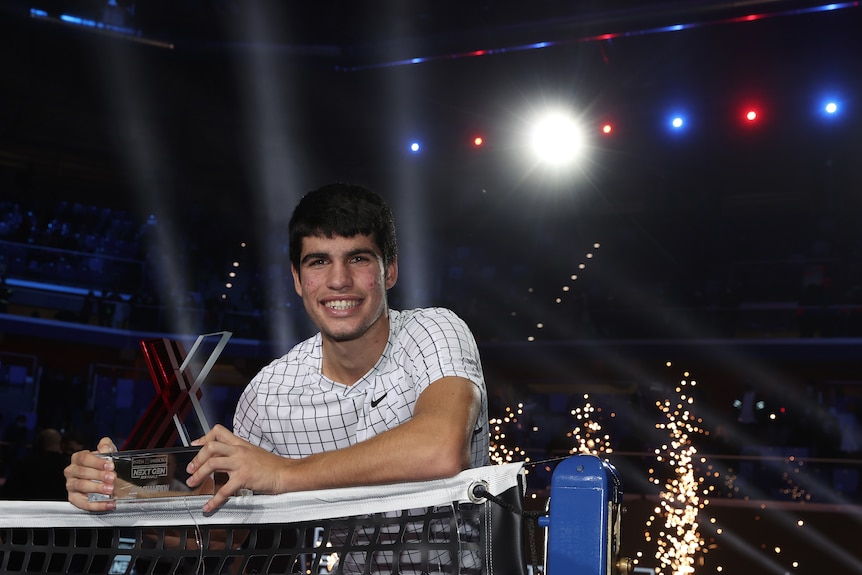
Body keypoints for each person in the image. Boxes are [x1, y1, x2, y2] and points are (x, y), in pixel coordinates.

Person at [65, 183, 489, 515]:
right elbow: (222, 527)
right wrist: (120, 489)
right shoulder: (269, 394)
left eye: (358, 259)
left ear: (389, 271)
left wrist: (285, 472)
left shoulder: (434, 330)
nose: (339, 280)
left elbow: (441, 448)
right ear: (297, 279)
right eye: (318, 261)